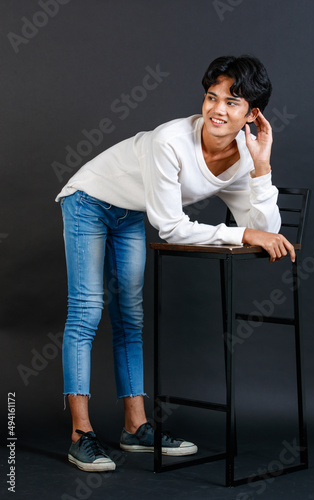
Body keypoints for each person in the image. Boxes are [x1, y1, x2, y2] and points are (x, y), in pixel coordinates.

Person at [56, 54, 295, 472]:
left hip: (130, 210)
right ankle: (81, 434)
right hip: (89, 200)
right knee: (87, 311)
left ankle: (135, 428)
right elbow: (171, 227)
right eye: (211, 97)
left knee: (130, 316)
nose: (218, 110)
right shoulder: (171, 140)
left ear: (252, 114)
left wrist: (262, 168)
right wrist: (246, 234)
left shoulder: (244, 155)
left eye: (233, 102)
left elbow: (265, 231)